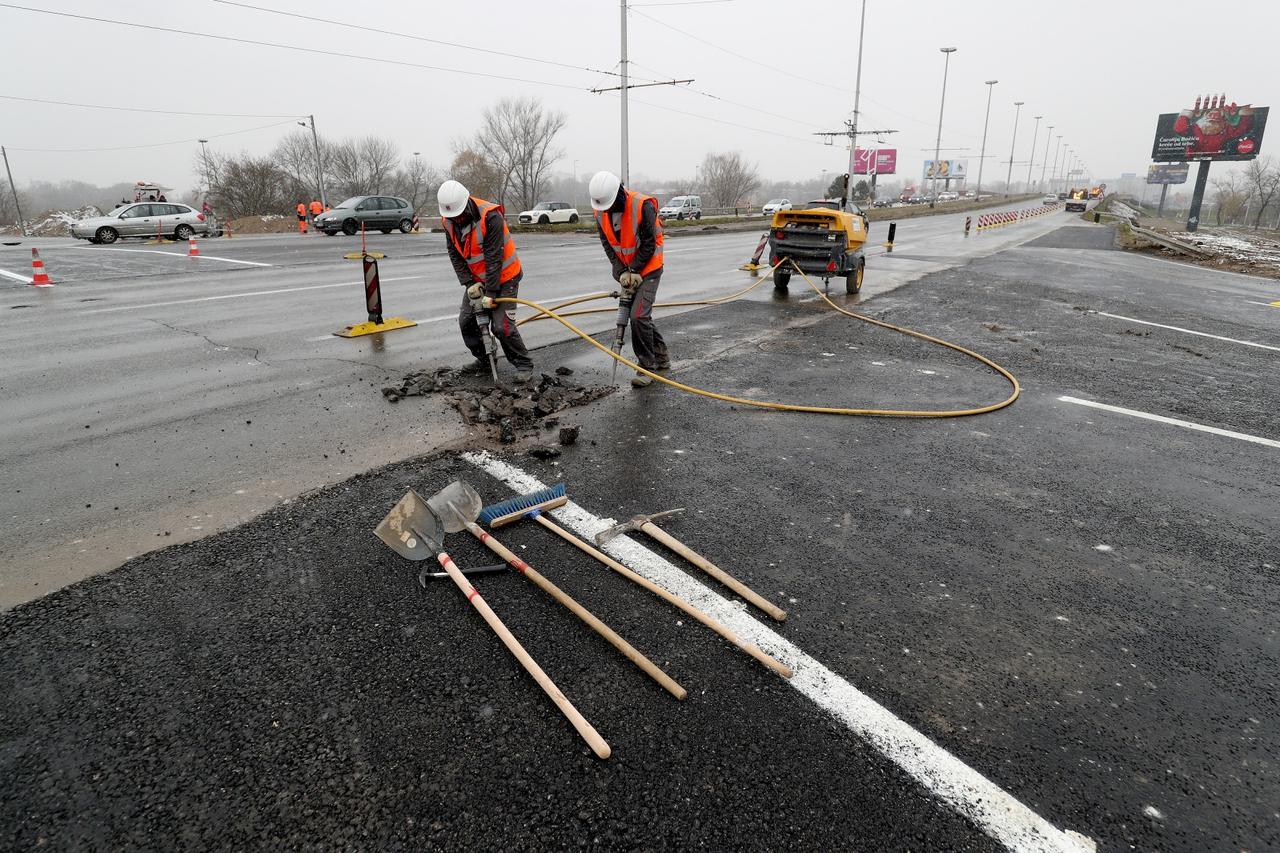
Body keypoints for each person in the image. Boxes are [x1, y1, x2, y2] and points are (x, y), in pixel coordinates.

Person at [437, 179, 533, 382]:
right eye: (453, 216)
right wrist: (469, 283)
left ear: (467, 203)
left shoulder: (491, 217)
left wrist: (490, 294)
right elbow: (454, 253)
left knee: (501, 327)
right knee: (467, 322)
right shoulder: (448, 221)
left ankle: (524, 364)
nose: (458, 219)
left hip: (506, 276)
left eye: (460, 215)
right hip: (477, 280)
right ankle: (484, 360)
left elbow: (494, 257)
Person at [587, 170, 669, 387]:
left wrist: (634, 270)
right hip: (626, 270)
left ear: (619, 193)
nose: (608, 209)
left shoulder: (643, 206)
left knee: (638, 317)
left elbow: (649, 244)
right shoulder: (600, 211)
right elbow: (608, 244)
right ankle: (661, 356)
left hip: (649, 267)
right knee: (640, 316)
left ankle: (646, 368)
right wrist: (621, 271)